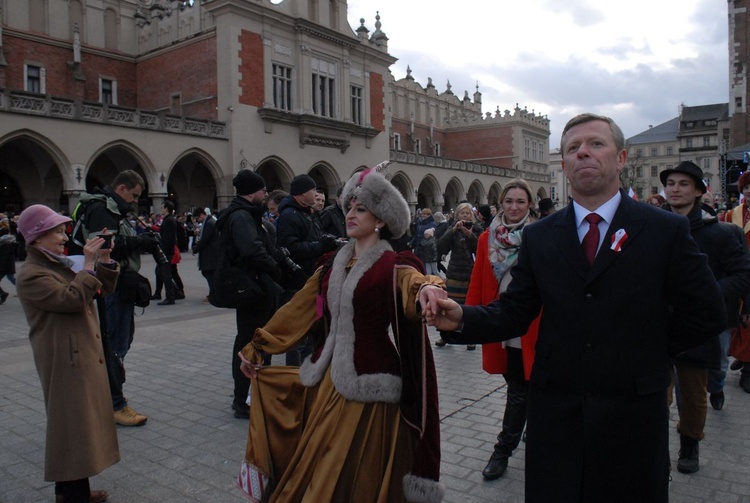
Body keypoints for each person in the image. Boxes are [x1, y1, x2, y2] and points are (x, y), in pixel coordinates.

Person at [422, 113, 727, 502]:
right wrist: (463, 316)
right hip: (557, 412)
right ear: (564, 166)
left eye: (595, 144)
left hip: (632, 412)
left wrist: (647, 353)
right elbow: (515, 310)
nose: (583, 152)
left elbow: (707, 313)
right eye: (572, 148)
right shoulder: (540, 236)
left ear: (620, 158)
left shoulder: (664, 229)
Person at [237, 164, 445, 503]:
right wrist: (258, 346)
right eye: (349, 206)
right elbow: (298, 309)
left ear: (380, 220)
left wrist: (431, 290)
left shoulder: (394, 265)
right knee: (318, 460)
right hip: (328, 377)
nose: (350, 214)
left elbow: (415, 283)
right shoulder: (332, 264)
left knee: (348, 468)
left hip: (371, 385)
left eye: (361, 209)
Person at [16, 205, 119, 503]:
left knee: (74, 424)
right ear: (36, 239)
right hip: (62, 357)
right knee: (72, 424)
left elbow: (101, 290)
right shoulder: (32, 274)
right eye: (57, 232)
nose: (65, 237)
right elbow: (72, 298)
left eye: (63, 231)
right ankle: (74, 495)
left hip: (76, 353)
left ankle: (71, 491)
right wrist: (87, 265)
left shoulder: (57, 264)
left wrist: (104, 260)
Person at [660, 161, 750, 473]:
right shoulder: (651, 228)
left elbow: (742, 275)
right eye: (670, 183)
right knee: (658, 392)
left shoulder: (722, 233)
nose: (675, 189)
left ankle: (690, 444)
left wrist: (708, 294)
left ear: (698, 191)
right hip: (657, 324)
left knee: (693, 394)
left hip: (698, 326)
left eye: (683, 184)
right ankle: (655, 444)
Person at [467, 179, 541, 481]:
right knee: (519, 387)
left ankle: (503, 449)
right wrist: (469, 320)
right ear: (500, 203)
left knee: (526, 389)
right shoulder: (487, 238)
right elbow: (478, 277)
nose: (514, 207)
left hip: (536, 324)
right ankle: (512, 442)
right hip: (503, 324)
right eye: (509, 201)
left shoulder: (541, 235)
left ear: (529, 205)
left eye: (520, 202)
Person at [73, 169, 158, 427]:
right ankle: (114, 403)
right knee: (113, 346)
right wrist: (140, 242)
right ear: (121, 188)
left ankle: (108, 398)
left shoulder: (110, 208)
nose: (134, 201)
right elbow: (105, 246)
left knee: (117, 342)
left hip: (116, 283)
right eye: (133, 195)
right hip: (110, 286)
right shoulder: (102, 209)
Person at [215, 169, 285, 419]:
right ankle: (242, 398)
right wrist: (275, 267)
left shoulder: (244, 215)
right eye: (262, 190)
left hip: (254, 286)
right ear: (251, 191)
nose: (265, 194)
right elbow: (252, 250)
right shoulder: (242, 217)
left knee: (252, 340)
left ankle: (253, 393)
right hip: (252, 288)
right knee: (250, 341)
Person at [276, 174, 339, 365]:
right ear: (303, 194)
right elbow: (291, 249)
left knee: (316, 324)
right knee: (299, 332)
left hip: (314, 283)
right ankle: (296, 374)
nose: (317, 194)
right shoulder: (290, 216)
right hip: (298, 284)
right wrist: (321, 246)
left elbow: (316, 237)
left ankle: (312, 367)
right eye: (313, 190)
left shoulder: (307, 213)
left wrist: (331, 241)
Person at [435, 201, 479, 349]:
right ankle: (446, 336)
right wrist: (452, 230)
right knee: (449, 306)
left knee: (469, 307)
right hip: (454, 272)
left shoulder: (477, 228)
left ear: (471, 215)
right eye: (462, 213)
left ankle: (470, 336)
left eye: (467, 213)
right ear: (457, 215)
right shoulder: (451, 228)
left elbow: (480, 248)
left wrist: (470, 235)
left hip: (470, 272)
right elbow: (440, 246)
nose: (465, 215)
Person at [723, 170, 750, 393]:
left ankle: (748, 368)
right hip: (737, 271)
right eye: (747, 187)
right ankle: (741, 354)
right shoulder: (732, 215)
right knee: (736, 320)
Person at [152, 200, 183, 305]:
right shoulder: (168, 220)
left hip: (166, 252)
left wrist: (164, 252)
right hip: (166, 252)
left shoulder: (169, 220)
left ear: (166, 209)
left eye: (162, 207)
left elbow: (168, 239)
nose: (161, 209)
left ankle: (171, 297)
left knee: (166, 275)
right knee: (160, 272)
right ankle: (163, 294)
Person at [192, 207, 220, 303]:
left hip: (211, 255)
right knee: (209, 274)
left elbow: (205, 239)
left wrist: (195, 249)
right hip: (211, 254)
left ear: (202, 215)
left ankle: (213, 295)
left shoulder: (209, 223)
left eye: (197, 218)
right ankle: (214, 294)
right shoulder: (209, 222)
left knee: (209, 274)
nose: (197, 220)